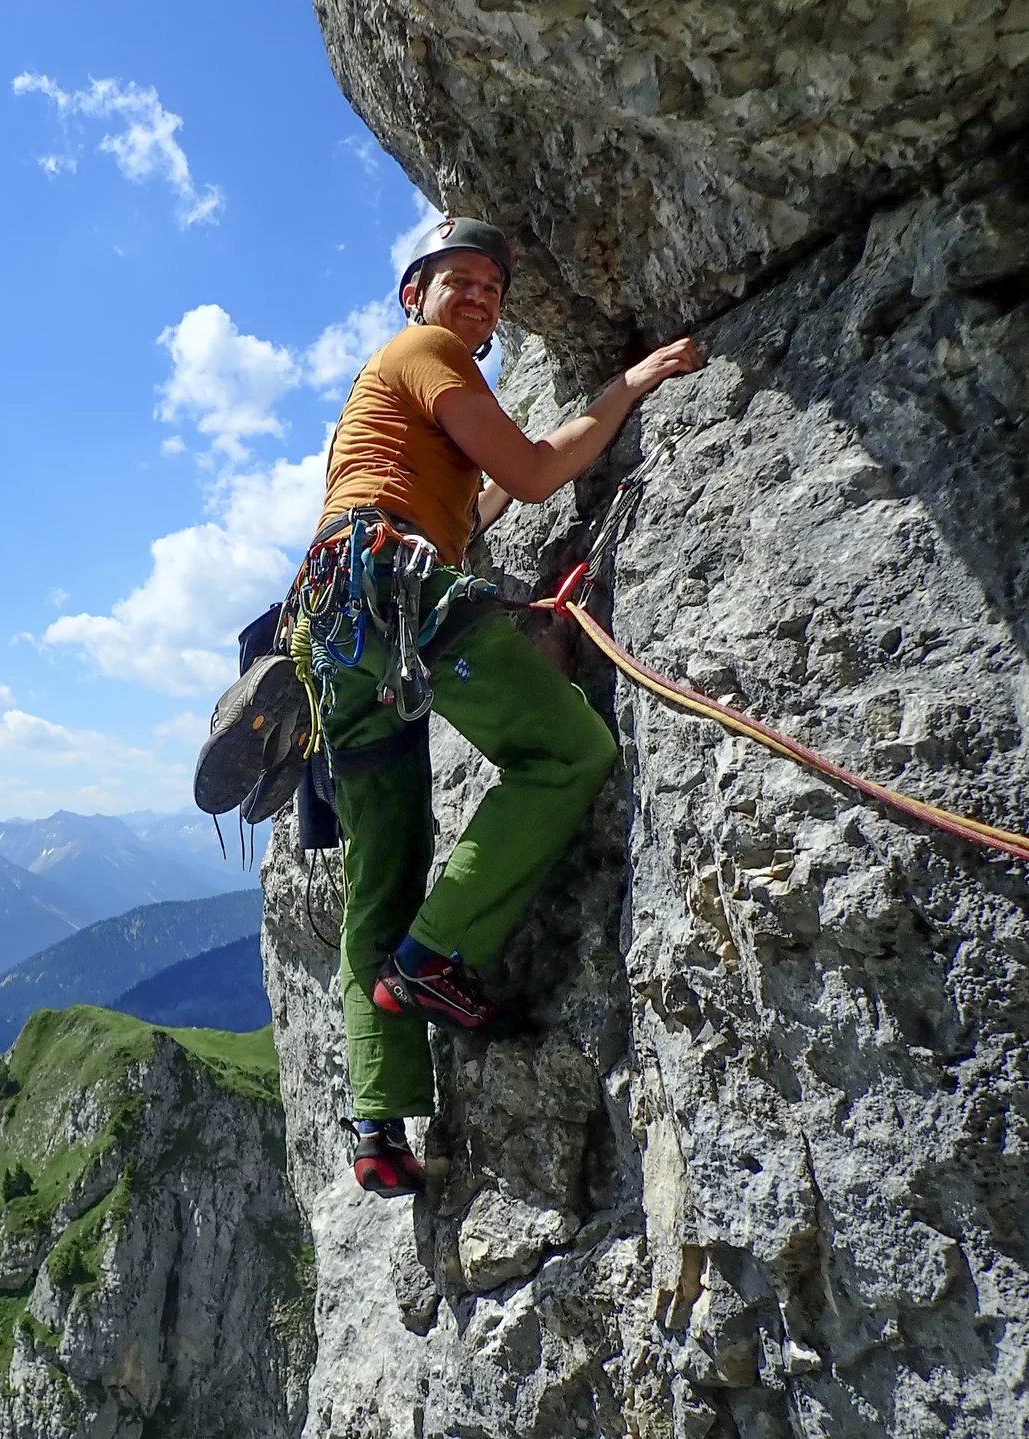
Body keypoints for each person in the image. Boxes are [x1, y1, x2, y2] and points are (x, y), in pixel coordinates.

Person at [314, 217, 702, 1197]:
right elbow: (532, 474)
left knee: (383, 864)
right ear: (417, 295)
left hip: (332, 627)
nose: (478, 296)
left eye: (492, 285)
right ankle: (440, 953)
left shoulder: (385, 397)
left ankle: (376, 1119)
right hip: (392, 591)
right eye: (458, 279)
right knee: (568, 749)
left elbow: (472, 503)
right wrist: (634, 382)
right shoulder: (428, 350)